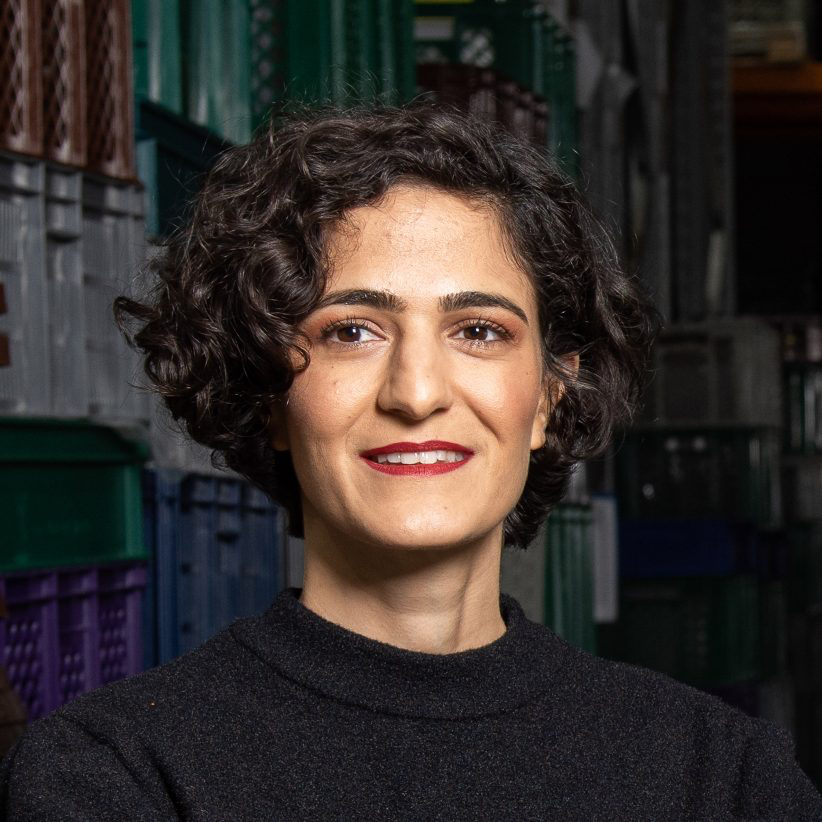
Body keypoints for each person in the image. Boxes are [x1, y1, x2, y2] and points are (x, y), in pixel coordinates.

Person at [1, 105, 820, 820]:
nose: (417, 391)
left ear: (548, 396)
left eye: (479, 331)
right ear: (268, 396)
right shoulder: (116, 777)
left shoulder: (723, 780)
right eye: (351, 331)